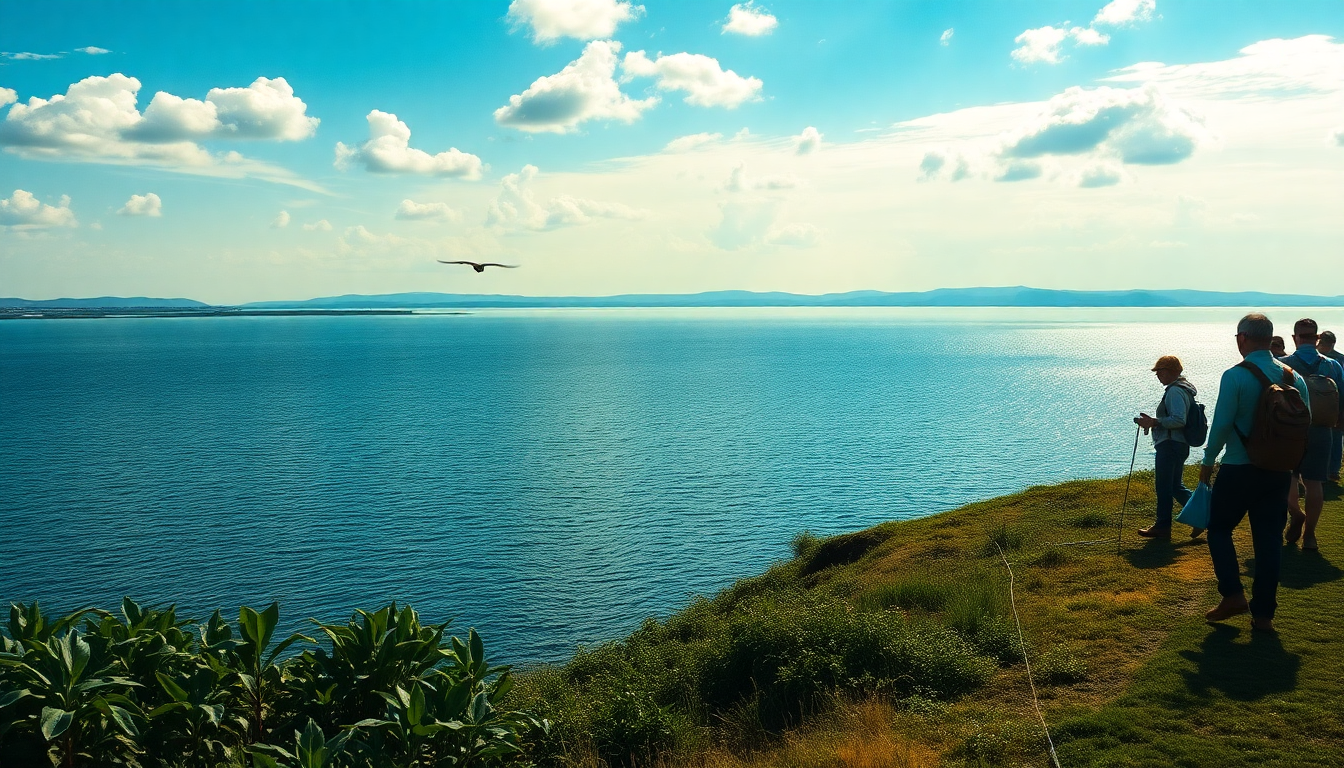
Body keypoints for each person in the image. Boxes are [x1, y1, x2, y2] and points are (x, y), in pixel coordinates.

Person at [1200, 313, 1309, 632]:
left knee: (1218, 529)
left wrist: (1207, 462)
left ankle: (1233, 595)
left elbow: (1221, 424)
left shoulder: (1235, 375)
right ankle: (1264, 617)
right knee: (1269, 541)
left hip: (1238, 467)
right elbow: (1306, 422)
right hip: (1277, 471)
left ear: (1243, 338)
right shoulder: (1293, 377)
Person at [1280, 319, 1344, 550]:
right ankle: (1310, 537)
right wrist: (1338, 422)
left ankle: (1296, 512)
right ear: (1317, 339)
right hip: (1322, 429)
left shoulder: (1283, 365)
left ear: (1295, 338)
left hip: (1291, 429)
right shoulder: (1333, 366)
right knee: (1314, 483)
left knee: (1288, 477)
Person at [1135, 355, 1199, 538]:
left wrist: (1154, 422)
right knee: (1174, 486)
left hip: (1170, 445)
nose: (1158, 375)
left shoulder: (1174, 391)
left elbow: (1179, 419)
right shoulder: (1183, 389)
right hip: (1179, 444)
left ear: (1172, 372)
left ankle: (1163, 526)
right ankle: (1203, 517)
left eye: (1161, 371)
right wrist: (1153, 422)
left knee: (1164, 487)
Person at [1319, 330, 1344, 482]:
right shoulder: (1340, 359)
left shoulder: (1325, 361)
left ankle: (1331, 470)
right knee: (1334, 438)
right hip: (1336, 405)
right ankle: (1332, 470)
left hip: (1330, 405)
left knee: (1333, 438)